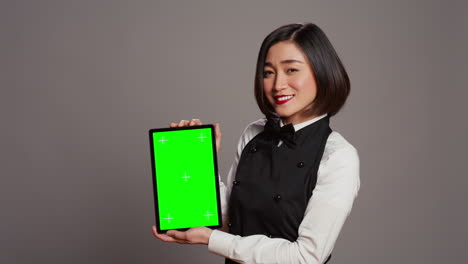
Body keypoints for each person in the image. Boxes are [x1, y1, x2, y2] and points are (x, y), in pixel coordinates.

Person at [152, 23, 360, 264]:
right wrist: (199, 164)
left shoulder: (338, 156)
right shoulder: (253, 133)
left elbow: (307, 257)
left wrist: (211, 239)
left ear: (322, 73)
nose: (277, 85)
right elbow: (231, 219)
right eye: (268, 72)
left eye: (291, 70)